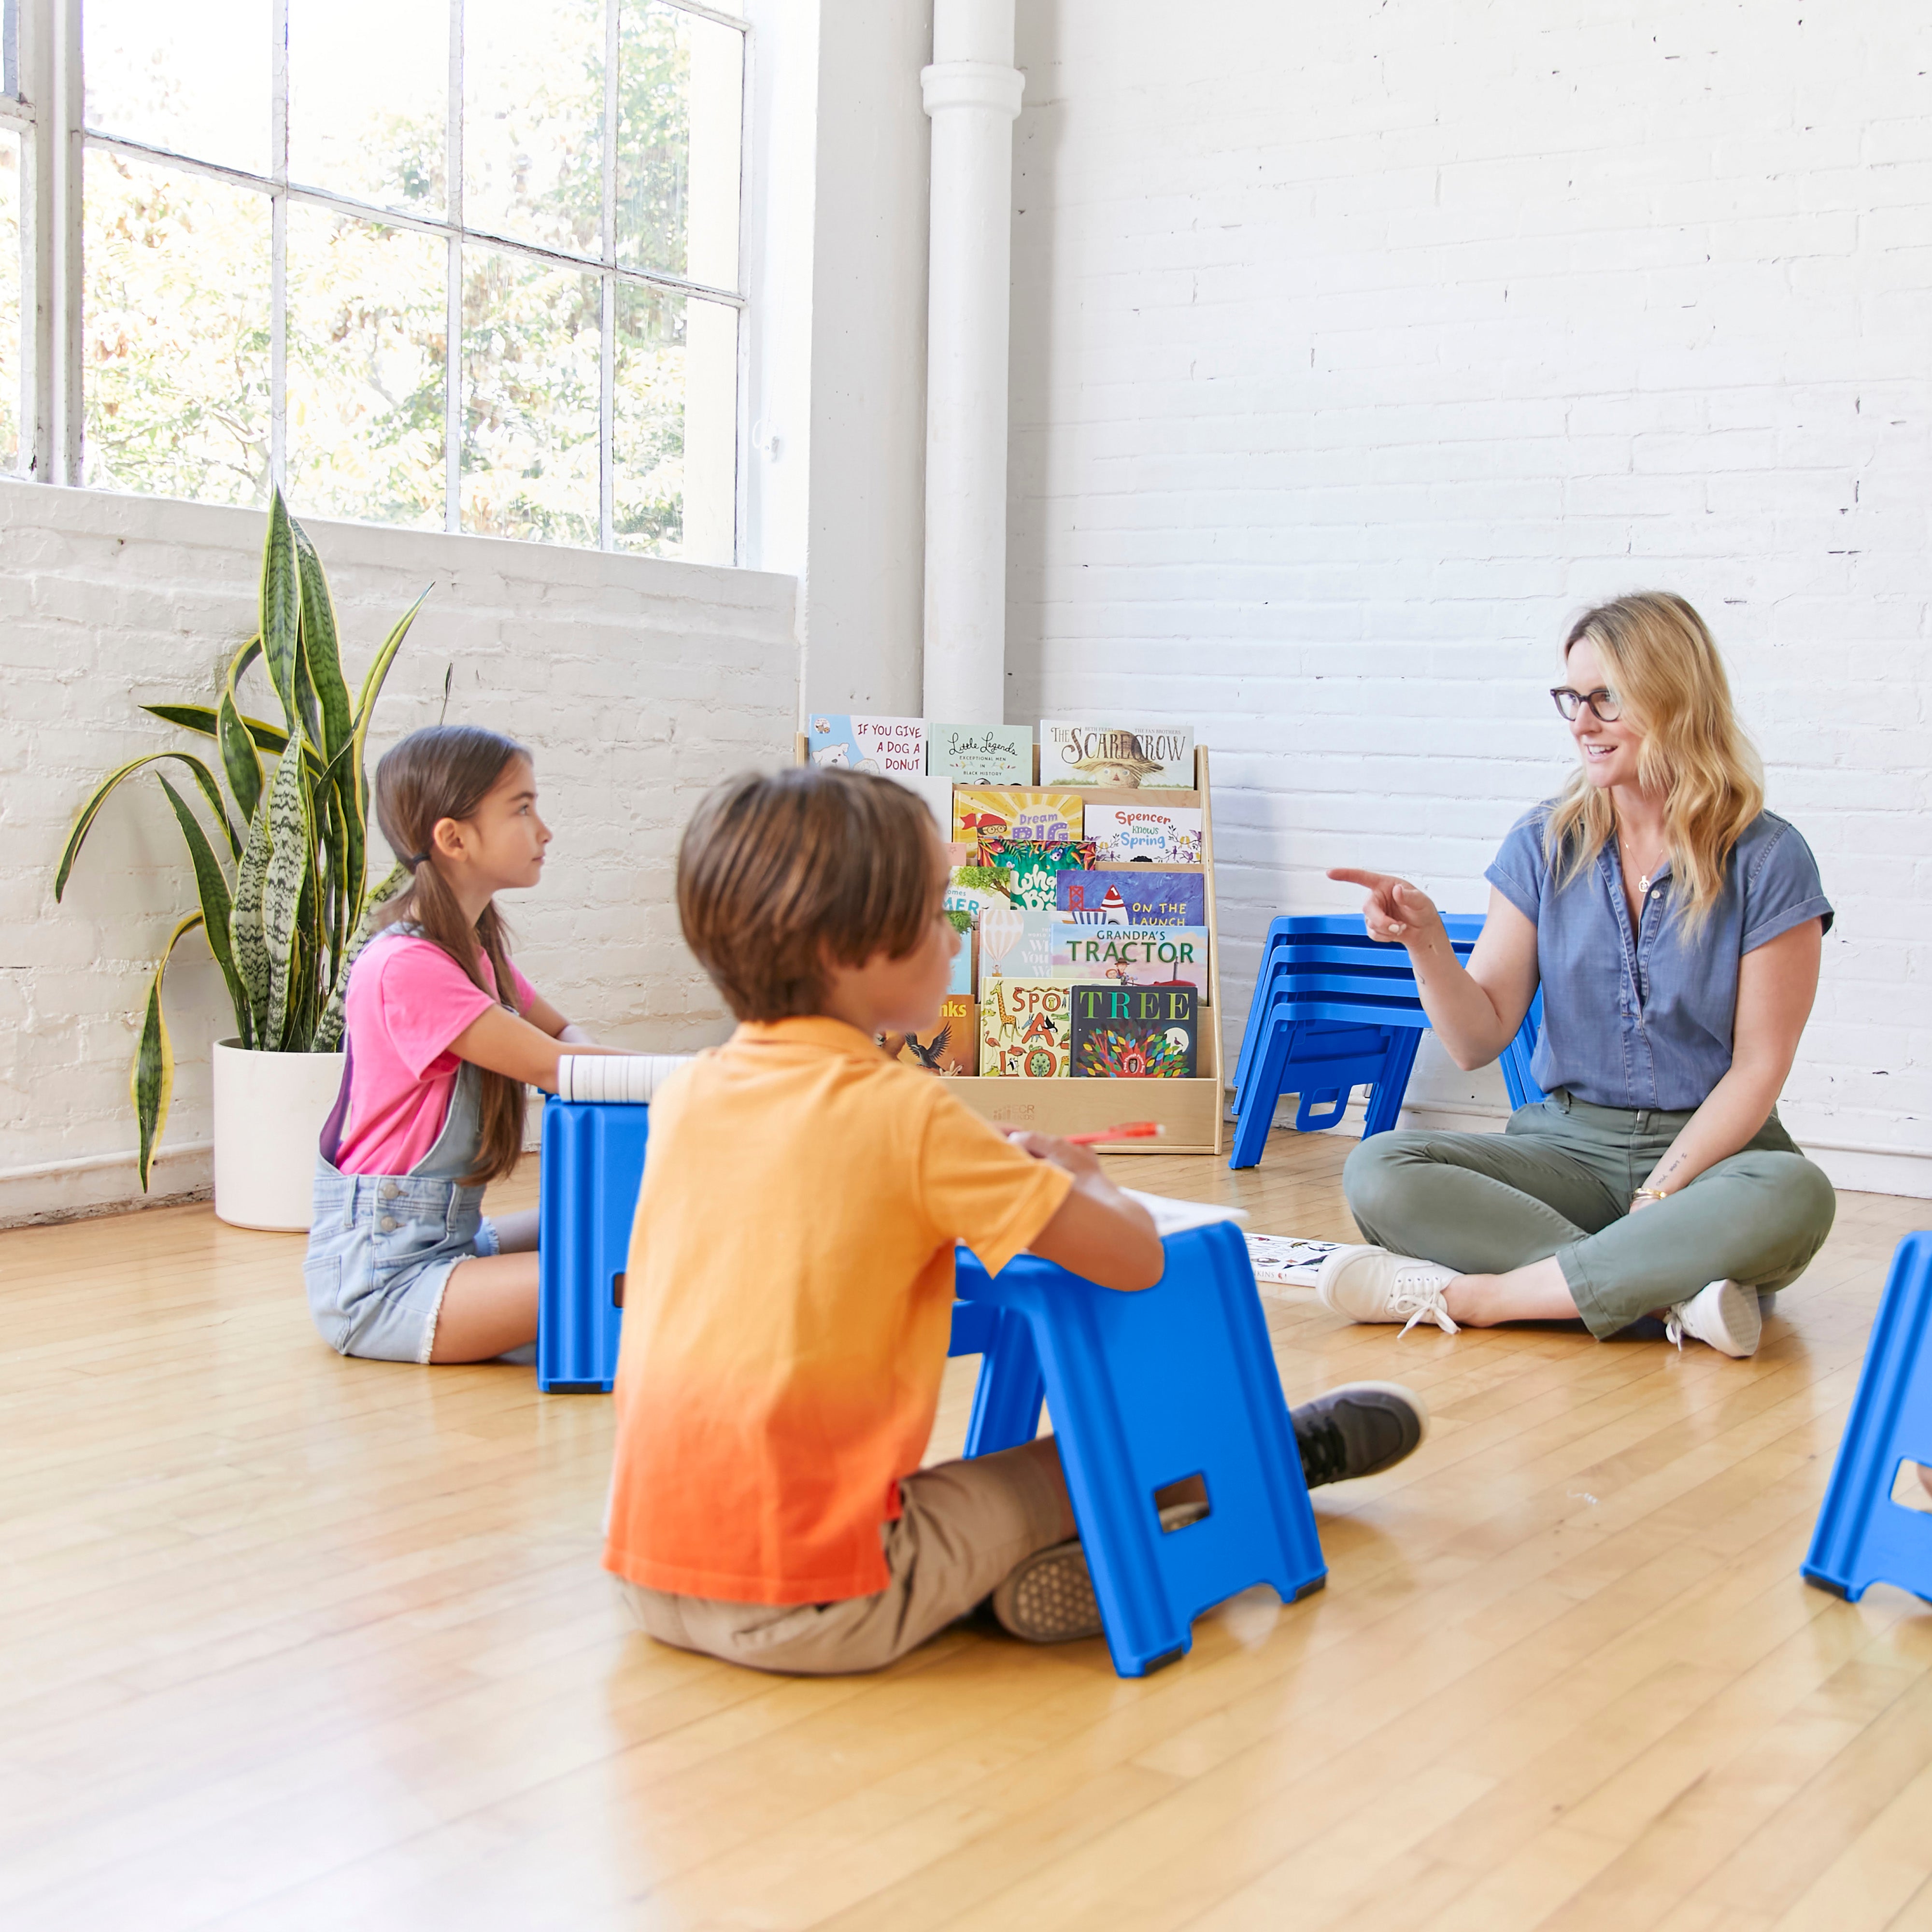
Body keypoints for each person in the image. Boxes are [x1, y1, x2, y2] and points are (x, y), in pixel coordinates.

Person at [603, 765, 1428, 1675]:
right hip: (822, 1602)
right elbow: (1132, 1258)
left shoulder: (686, 1095)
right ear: (846, 952)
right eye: (935, 914)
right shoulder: (907, 1116)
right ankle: (1275, 1458)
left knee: (978, 1484)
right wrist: (1086, 1178)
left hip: (647, 1577)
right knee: (1094, 1458)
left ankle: (1011, 1576)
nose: (954, 939)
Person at [1321, 592, 1836, 1360]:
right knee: (1380, 1166)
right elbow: (1476, 1039)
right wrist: (1426, 944)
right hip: (1566, 1151)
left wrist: (1661, 1199)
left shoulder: (1767, 858)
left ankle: (1488, 1298)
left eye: (1606, 698)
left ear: (1674, 700)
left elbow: (1760, 1067)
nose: (1581, 723)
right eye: (1572, 698)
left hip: (1715, 1158)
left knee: (1799, 1195)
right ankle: (1664, 1294)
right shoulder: (1541, 842)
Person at [304, 725, 622, 1365]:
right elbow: (558, 1066)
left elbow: (561, 1035)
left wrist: (609, 1068)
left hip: (451, 1243)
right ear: (453, 838)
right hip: (383, 1284)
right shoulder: (409, 967)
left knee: (631, 1223)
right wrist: (720, 1077)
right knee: (623, 1274)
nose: (545, 830)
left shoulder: (472, 954)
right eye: (523, 809)